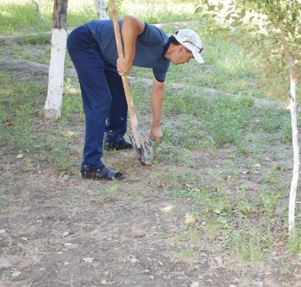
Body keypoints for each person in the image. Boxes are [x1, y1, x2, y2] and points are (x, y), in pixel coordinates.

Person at [67, 15, 204, 181]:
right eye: (189, 57)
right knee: (100, 100)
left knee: (121, 91)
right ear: (181, 49)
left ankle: (114, 139)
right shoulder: (157, 38)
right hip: (86, 41)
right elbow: (130, 21)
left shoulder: (162, 63)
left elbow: (158, 90)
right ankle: (91, 165)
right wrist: (129, 59)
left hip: (104, 53)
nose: (187, 62)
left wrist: (155, 126)